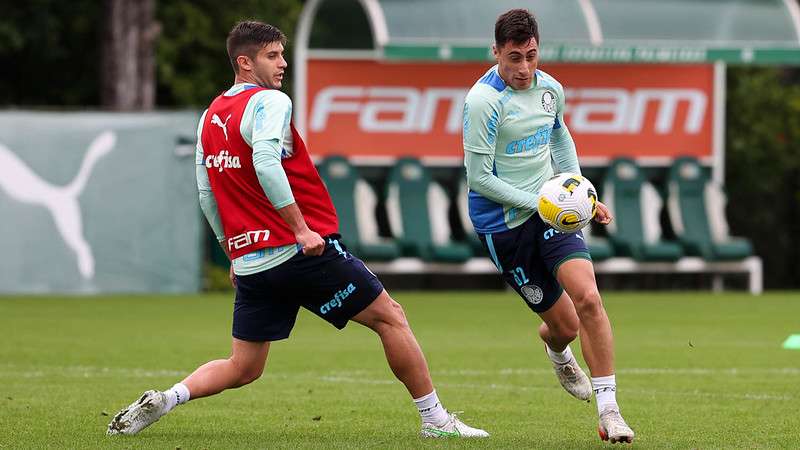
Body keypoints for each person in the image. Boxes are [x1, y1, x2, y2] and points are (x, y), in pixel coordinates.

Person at [107, 20, 487, 439]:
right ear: (245, 63)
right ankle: (435, 421)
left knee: (244, 366)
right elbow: (266, 163)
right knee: (391, 318)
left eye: (283, 54)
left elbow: (205, 193)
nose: (283, 63)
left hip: (253, 264)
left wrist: (234, 253)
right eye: (272, 55)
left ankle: (169, 397)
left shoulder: (210, 115)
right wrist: (302, 229)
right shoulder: (270, 102)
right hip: (298, 253)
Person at [462, 9, 634, 444]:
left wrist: (579, 195)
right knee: (566, 326)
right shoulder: (482, 102)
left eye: (531, 56)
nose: (523, 68)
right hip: (503, 224)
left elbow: (559, 135)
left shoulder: (550, 89)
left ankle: (610, 411)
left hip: (550, 215)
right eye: (514, 57)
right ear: (496, 51)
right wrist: (542, 203)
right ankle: (557, 349)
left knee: (590, 300)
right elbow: (480, 179)